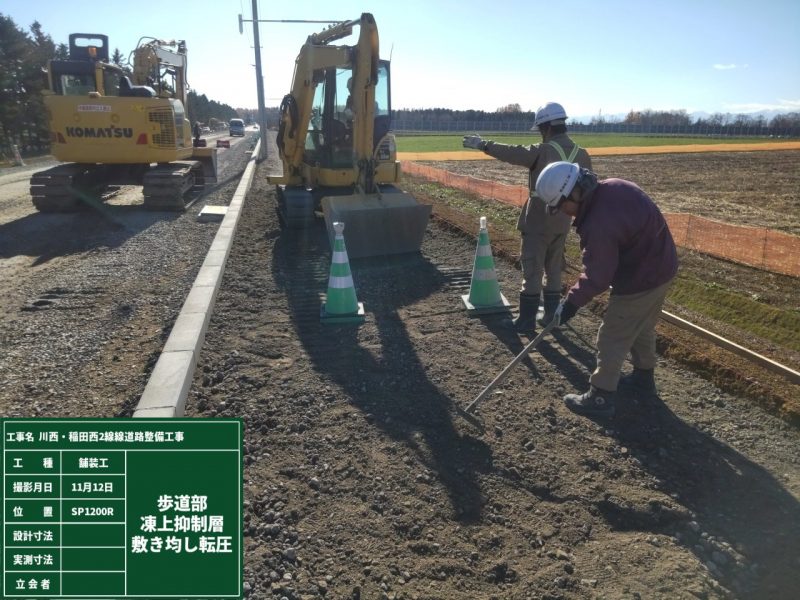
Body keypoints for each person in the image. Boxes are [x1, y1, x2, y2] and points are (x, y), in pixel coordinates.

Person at [535, 162, 679, 418]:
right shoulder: (614, 186)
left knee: (612, 335)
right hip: (663, 267)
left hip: (641, 278)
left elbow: (598, 276)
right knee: (641, 327)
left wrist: (569, 304)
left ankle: (600, 397)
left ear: (575, 193)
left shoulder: (598, 223)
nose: (564, 213)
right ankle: (644, 379)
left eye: (561, 206)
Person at [462, 102, 592, 336]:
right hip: (563, 220)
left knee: (532, 268)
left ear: (546, 127)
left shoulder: (542, 151)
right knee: (554, 268)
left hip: (538, 219)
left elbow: (513, 152)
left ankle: (525, 321)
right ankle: (551, 318)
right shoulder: (582, 154)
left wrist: (483, 145)